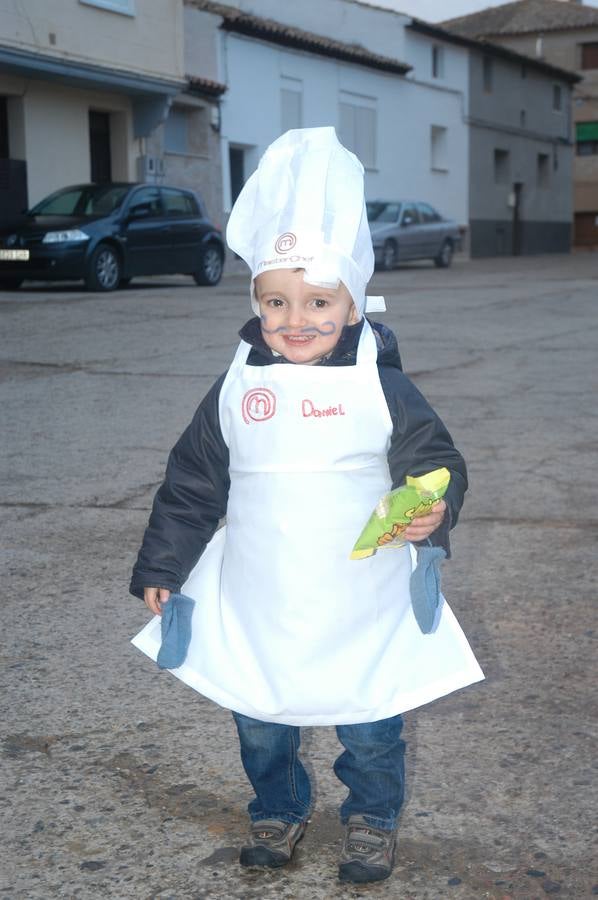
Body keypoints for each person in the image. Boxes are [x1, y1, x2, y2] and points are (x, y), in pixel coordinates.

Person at [129, 127, 483, 885]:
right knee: (260, 717)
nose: (297, 320)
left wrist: (430, 509)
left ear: (352, 304)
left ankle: (370, 818)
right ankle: (278, 804)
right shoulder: (236, 387)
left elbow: (434, 460)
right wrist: (163, 565)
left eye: (319, 301)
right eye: (277, 302)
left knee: (370, 722)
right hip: (259, 595)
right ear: (256, 303)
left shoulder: (380, 383)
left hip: (361, 597)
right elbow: (193, 482)